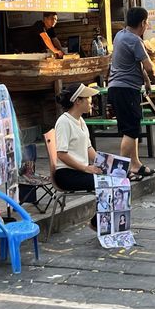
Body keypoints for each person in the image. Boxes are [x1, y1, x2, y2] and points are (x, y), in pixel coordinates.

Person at [108, 7, 155, 181]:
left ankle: (135, 164)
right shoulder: (135, 40)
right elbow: (149, 66)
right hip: (126, 89)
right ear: (143, 23)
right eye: (146, 22)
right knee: (130, 130)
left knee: (132, 128)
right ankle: (122, 170)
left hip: (118, 88)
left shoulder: (120, 35)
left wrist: (146, 80)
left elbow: (137, 64)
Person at [54, 82, 101, 229]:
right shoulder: (64, 122)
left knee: (117, 179)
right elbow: (61, 154)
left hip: (80, 170)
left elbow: (88, 148)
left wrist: (106, 163)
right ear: (77, 101)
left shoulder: (80, 120)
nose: (91, 103)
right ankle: (98, 223)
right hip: (67, 174)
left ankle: (103, 221)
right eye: (88, 99)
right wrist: (86, 168)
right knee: (107, 183)